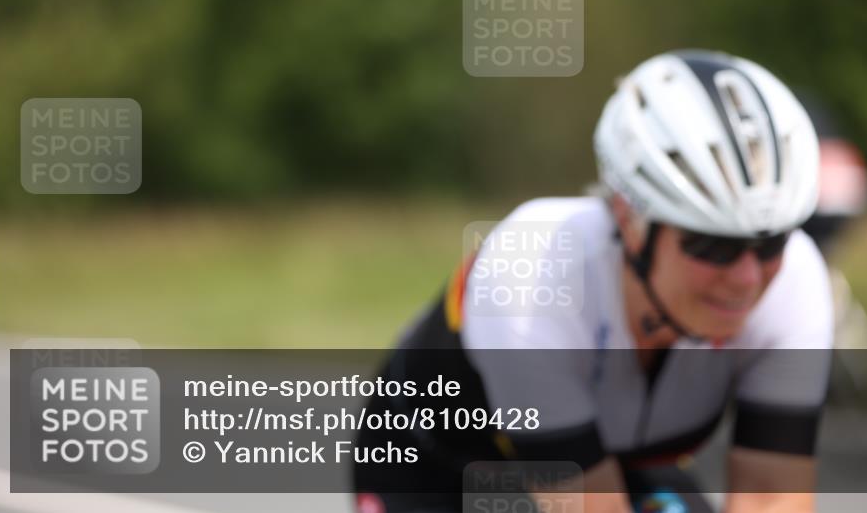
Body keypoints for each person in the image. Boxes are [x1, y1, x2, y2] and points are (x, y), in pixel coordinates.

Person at [354, 50, 834, 513]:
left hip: (612, 467)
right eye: (712, 246)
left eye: (771, 242)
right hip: (439, 475)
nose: (748, 278)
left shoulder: (794, 278)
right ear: (630, 220)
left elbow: (772, 499)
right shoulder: (537, 271)